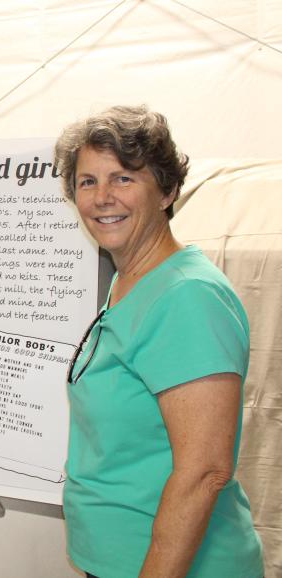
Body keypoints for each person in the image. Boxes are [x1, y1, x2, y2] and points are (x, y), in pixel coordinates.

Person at [55, 105, 264, 578]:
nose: (103, 197)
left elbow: (204, 472)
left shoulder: (188, 297)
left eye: (124, 178)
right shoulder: (132, 277)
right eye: (88, 182)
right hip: (119, 559)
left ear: (167, 190)